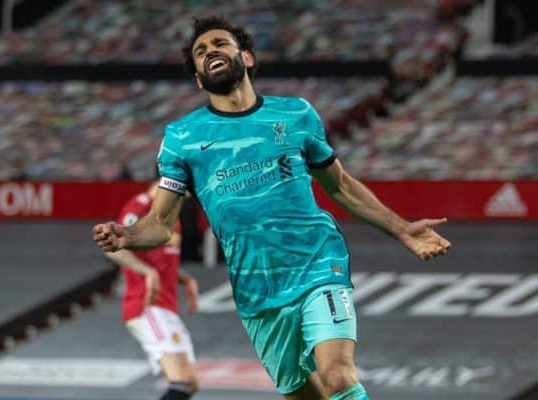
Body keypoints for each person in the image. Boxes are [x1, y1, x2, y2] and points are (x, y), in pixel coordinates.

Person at [93, 16, 451, 400]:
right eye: (201, 51)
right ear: (199, 78)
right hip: (256, 286)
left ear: (246, 57)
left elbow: (341, 186)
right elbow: (161, 224)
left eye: (220, 44)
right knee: (302, 394)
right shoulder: (182, 137)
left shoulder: (295, 115)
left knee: (339, 378)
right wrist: (127, 235)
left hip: (317, 263)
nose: (210, 51)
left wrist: (401, 228)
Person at [104, 179, 200, 400]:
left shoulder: (171, 216)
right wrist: (147, 272)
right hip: (146, 305)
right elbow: (113, 248)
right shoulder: (139, 207)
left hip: (167, 306)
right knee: (181, 383)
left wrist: (186, 280)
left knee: (191, 383)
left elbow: (163, 261)